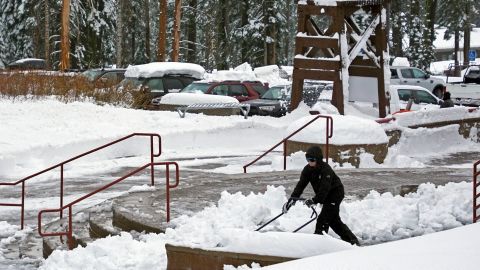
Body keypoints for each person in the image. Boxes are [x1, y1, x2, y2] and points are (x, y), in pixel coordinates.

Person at [283, 145, 360, 246]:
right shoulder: (307, 170)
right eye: (307, 159)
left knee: (323, 220)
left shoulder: (325, 170)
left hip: (335, 194)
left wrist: (315, 200)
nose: (309, 162)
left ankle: (318, 245)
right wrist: (292, 199)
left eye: (312, 159)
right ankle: (352, 242)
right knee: (334, 221)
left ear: (318, 159)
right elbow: (300, 185)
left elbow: (325, 188)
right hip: (325, 195)